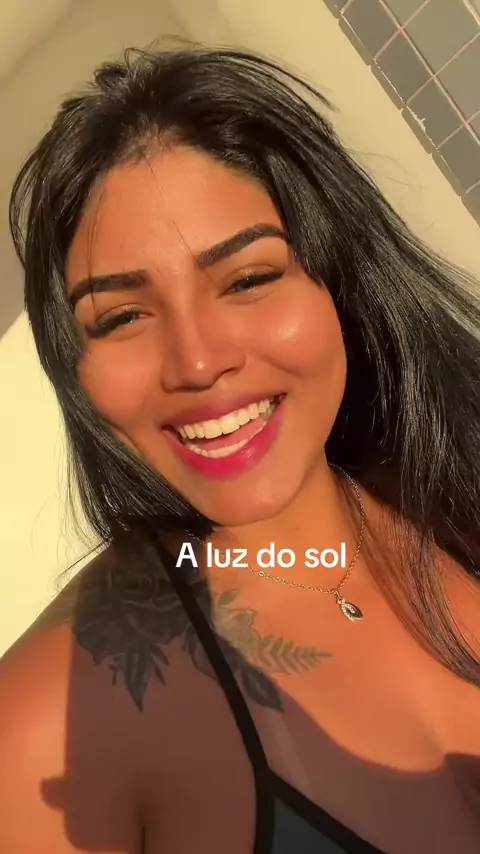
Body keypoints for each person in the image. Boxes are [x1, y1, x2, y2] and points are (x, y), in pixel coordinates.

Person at [1, 44, 479, 854]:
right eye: (122, 317)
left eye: (248, 279)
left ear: (338, 282)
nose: (196, 363)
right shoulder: (51, 727)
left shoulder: (453, 480)